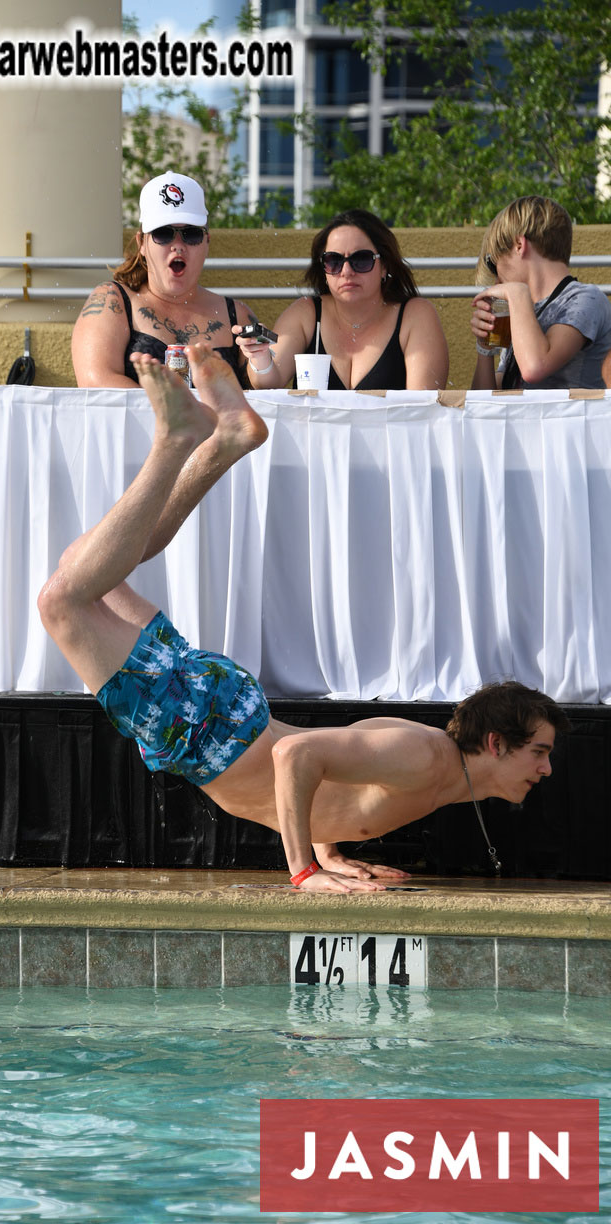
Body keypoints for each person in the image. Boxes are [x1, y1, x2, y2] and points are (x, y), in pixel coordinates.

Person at [38, 346, 567, 893]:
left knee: (87, 565)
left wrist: (329, 846)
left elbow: (330, 766)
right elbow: (295, 754)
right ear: (497, 743)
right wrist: (305, 870)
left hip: (225, 719)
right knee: (64, 599)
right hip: (210, 735)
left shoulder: (429, 759)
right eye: (539, 752)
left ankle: (226, 442)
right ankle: (177, 443)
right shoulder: (426, 758)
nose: (547, 769)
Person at [71, 171, 255, 388]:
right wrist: (174, 406)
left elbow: (263, 390)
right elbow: (96, 381)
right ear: (142, 243)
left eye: (191, 234)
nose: (178, 245)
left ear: (207, 242)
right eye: (163, 233)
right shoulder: (113, 301)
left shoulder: (237, 315)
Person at [233, 208, 449, 392]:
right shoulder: (306, 312)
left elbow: (423, 407)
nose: (346, 271)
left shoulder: (415, 315)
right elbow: (269, 383)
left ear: (384, 266)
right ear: (323, 270)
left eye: (361, 260)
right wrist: (260, 356)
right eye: (333, 261)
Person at [471, 195, 611, 390]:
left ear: (519, 245)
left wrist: (517, 293)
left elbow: (535, 368)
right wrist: (485, 348)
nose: (497, 281)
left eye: (494, 265)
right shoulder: (523, 312)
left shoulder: (587, 299)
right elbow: (484, 402)